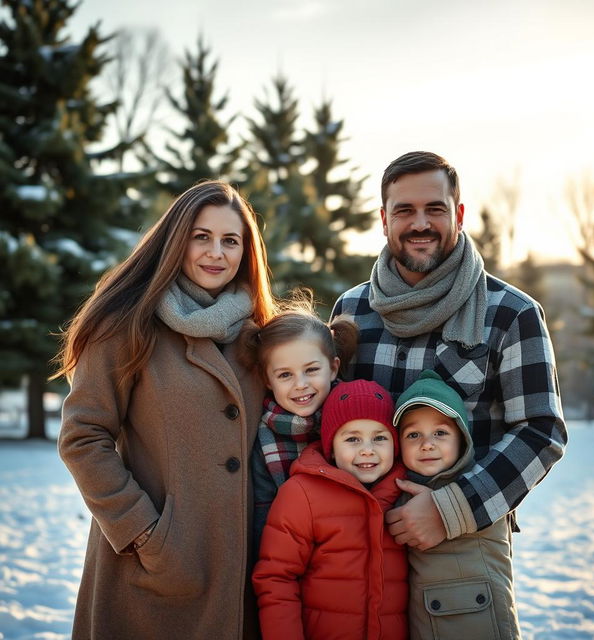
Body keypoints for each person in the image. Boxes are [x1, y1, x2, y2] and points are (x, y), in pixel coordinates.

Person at [55, 180, 276, 639]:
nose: (216, 252)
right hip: (152, 571)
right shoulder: (126, 324)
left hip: (240, 574)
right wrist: (142, 532)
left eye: (230, 240)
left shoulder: (259, 335)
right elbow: (83, 436)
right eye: (201, 236)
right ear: (177, 240)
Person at [331, 151, 567, 553]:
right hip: (360, 545)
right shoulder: (351, 311)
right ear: (384, 219)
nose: (420, 223)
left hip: (462, 547)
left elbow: (541, 431)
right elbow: (330, 424)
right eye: (404, 210)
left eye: (434, 209)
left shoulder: (511, 313)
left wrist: (451, 509)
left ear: (458, 215)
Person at [252, 379, 408, 640]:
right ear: (332, 448)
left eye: (380, 438)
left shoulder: (406, 494)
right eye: (352, 439)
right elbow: (276, 578)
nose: (367, 450)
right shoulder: (302, 494)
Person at [394, 369, 520, 640]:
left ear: (462, 438)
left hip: (480, 621)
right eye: (413, 435)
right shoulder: (397, 492)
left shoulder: (481, 495)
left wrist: (447, 509)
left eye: (440, 433)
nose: (427, 444)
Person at [237, 299, 358, 552]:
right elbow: (265, 517)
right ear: (267, 380)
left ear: (333, 368)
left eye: (312, 369)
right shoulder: (262, 439)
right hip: (293, 556)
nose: (300, 384)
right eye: (285, 375)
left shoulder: (356, 418)